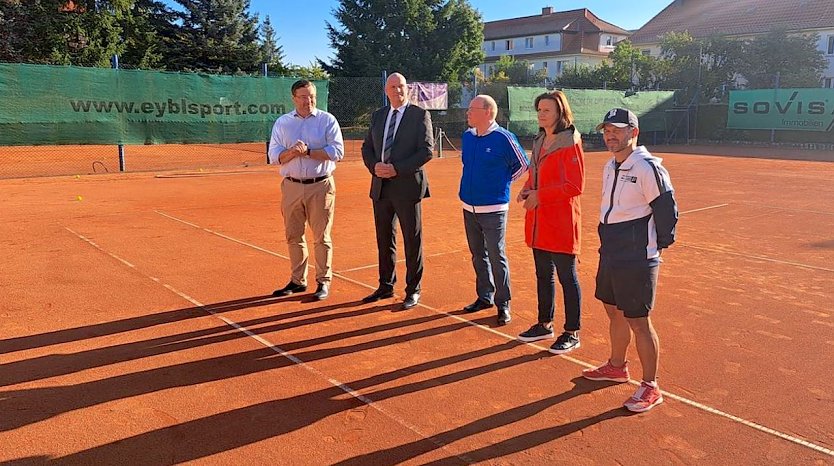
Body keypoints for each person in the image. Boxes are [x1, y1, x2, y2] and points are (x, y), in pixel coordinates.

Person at [581, 108, 678, 413]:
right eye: (607, 130)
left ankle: (651, 386)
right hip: (610, 250)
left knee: (639, 321)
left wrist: (653, 247)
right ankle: (616, 366)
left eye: (617, 130)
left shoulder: (648, 167)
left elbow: (667, 211)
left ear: (633, 133)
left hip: (638, 257)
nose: (610, 135)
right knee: (614, 312)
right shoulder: (610, 165)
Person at [516, 91, 585, 354]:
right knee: (543, 275)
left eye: (547, 110)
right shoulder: (540, 140)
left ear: (560, 113)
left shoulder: (570, 142)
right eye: (539, 110)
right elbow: (535, 174)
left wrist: (539, 195)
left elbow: (574, 185)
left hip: (561, 221)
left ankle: (572, 331)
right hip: (539, 220)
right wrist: (526, 189)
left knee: (567, 277)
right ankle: (544, 324)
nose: (541, 114)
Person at [360, 72, 434, 310]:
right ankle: (385, 285)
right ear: (386, 90)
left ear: (407, 89)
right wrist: (375, 166)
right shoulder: (379, 115)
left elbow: (426, 151)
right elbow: (367, 147)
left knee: (412, 240)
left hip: (407, 186)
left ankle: (413, 290)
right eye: (392, 87)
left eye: (401, 86)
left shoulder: (419, 115)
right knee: (384, 239)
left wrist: (396, 169)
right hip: (381, 186)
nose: (397, 91)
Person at [268, 79, 344, 301]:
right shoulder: (282, 123)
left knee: (322, 237)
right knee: (293, 235)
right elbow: (275, 157)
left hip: (321, 186)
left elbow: (337, 151)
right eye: (303, 97)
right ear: (294, 98)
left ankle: (323, 281)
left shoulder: (327, 120)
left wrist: (309, 151)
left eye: (311, 96)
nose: (307, 101)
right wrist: (293, 152)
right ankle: (298, 281)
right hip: (291, 186)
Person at [459, 95, 529, 326]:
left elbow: (523, 164)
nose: (467, 112)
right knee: (478, 254)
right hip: (468, 206)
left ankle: (503, 302)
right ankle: (484, 296)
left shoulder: (504, 138)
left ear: (488, 112)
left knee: (496, 255)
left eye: (472, 109)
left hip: (494, 207)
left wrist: (502, 182)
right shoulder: (468, 137)